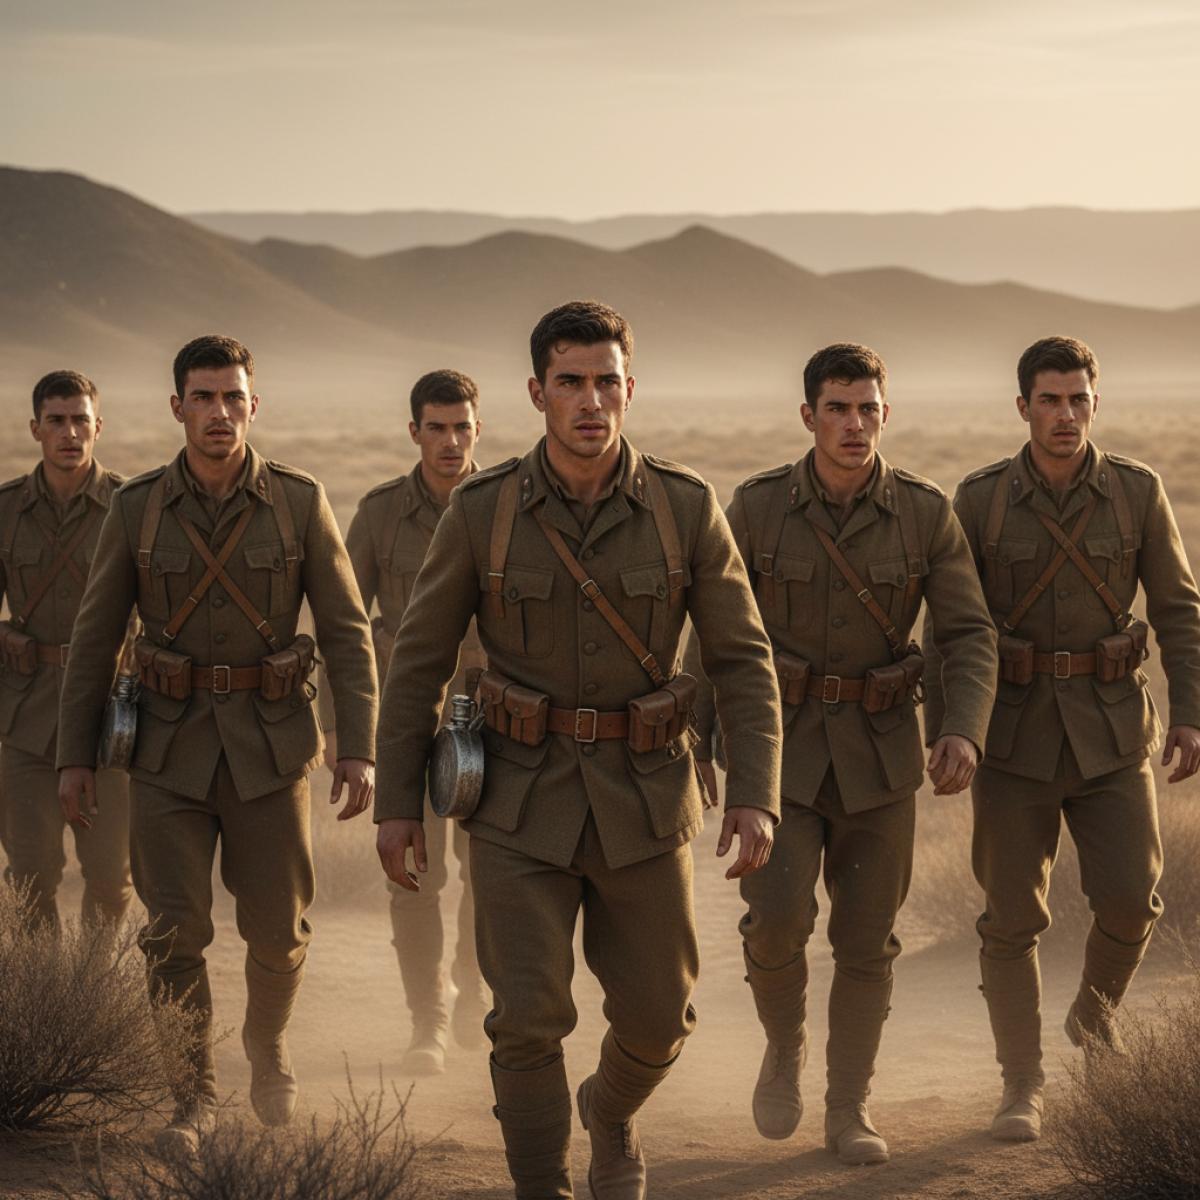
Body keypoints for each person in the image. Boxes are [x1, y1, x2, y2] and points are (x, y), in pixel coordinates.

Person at [374, 301, 781, 1199]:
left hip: (645, 797)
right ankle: (541, 1186)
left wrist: (755, 792)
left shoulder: (683, 507)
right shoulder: (484, 513)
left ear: (630, 388)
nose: (590, 400)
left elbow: (742, 662)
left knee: (658, 1017)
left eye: (606, 381)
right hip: (518, 801)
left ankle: (613, 1113)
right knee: (525, 1020)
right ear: (536, 393)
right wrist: (399, 804)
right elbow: (417, 662)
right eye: (570, 382)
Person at [56, 335, 378, 1156]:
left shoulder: (300, 503)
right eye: (204, 398)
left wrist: (358, 745)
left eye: (234, 398)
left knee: (279, 929)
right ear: (177, 408)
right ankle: (190, 1096)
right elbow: (96, 639)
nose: (221, 414)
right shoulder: (136, 508)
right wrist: (74, 755)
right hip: (166, 750)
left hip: (271, 750)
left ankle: (266, 1045)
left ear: (253, 406)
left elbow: (345, 632)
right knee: (173, 932)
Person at [687, 343, 997, 1165]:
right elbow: (713, 627)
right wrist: (699, 736)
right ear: (808, 416)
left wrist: (961, 726)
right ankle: (784, 1044)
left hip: (882, 757)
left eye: (867, 409)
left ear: (885, 415)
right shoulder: (753, 510)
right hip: (777, 759)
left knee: (868, 942)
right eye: (837, 409)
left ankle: (848, 1105)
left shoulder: (927, 514)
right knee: (777, 924)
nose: (854, 425)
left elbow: (966, 632)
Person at [924, 335, 1200, 1142]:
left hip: (1113, 731)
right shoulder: (979, 502)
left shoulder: (1136, 493)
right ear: (1023, 407)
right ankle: (1023, 1083)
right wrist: (950, 731)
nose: (1066, 414)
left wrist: (1190, 712)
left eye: (1079, 398)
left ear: (1095, 404)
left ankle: (1094, 1014)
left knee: (1131, 895)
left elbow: (1180, 611)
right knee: (1011, 918)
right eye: (1050, 399)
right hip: (1011, 740)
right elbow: (952, 629)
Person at [328, 368, 489, 1073]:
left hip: (495, 718)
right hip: (406, 720)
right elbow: (343, 624)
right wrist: (345, 730)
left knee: (493, 875)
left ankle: (476, 991)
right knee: (414, 874)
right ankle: (428, 1019)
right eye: (436, 427)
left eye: (462, 426)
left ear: (477, 427)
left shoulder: (508, 502)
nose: (450, 441)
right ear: (414, 431)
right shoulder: (381, 513)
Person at [0, 370, 132, 930]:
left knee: (109, 872)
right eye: (56, 420)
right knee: (30, 874)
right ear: (35, 428)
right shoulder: (5, 510)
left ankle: (94, 993)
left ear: (98, 427)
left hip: (107, 717)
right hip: (25, 716)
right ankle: (46, 1005)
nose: (69, 432)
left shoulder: (132, 505)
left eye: (80, 419)